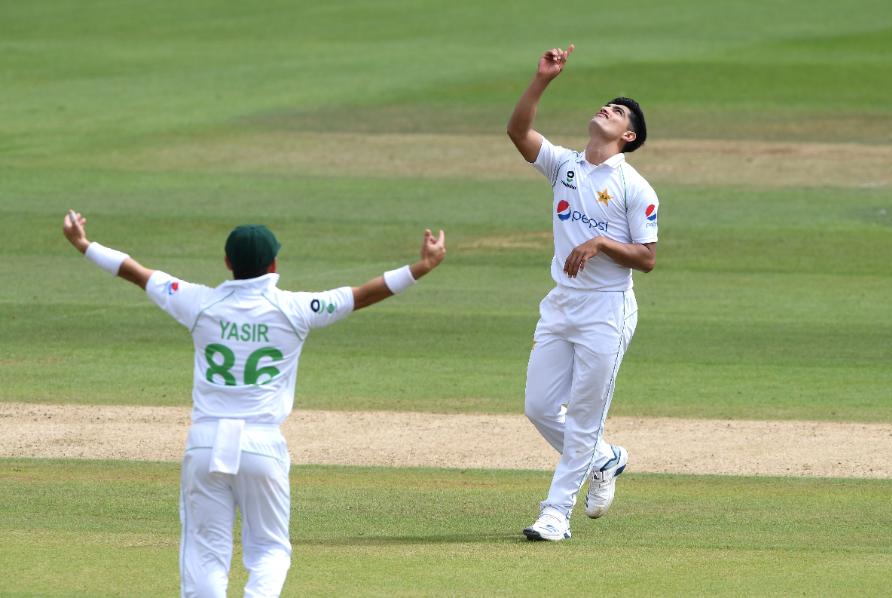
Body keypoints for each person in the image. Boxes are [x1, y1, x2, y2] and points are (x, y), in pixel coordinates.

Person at [61, 211, 446, 596]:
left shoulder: (198, 302)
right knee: (269, 551)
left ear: (228, 263)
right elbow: (364, 294)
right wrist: (422, 266)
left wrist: (83, 244)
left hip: (206, 441)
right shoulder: (297, 309)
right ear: (274, 264)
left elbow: (134, 272)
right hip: (262, 444)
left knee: (204, 552)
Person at [506, 44, 659, 541]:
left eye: (616, 112)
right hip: (561, 304)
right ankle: (606, 459)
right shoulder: (564, 166)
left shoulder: (636, 187)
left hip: (606, 312)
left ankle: (555, 513)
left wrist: (599, 241)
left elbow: (647, 258)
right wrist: (542, 79)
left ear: (628, 135)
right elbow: (518, 132)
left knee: (587, 414)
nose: (605, 110)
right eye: (605, 106)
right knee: (539, 407)